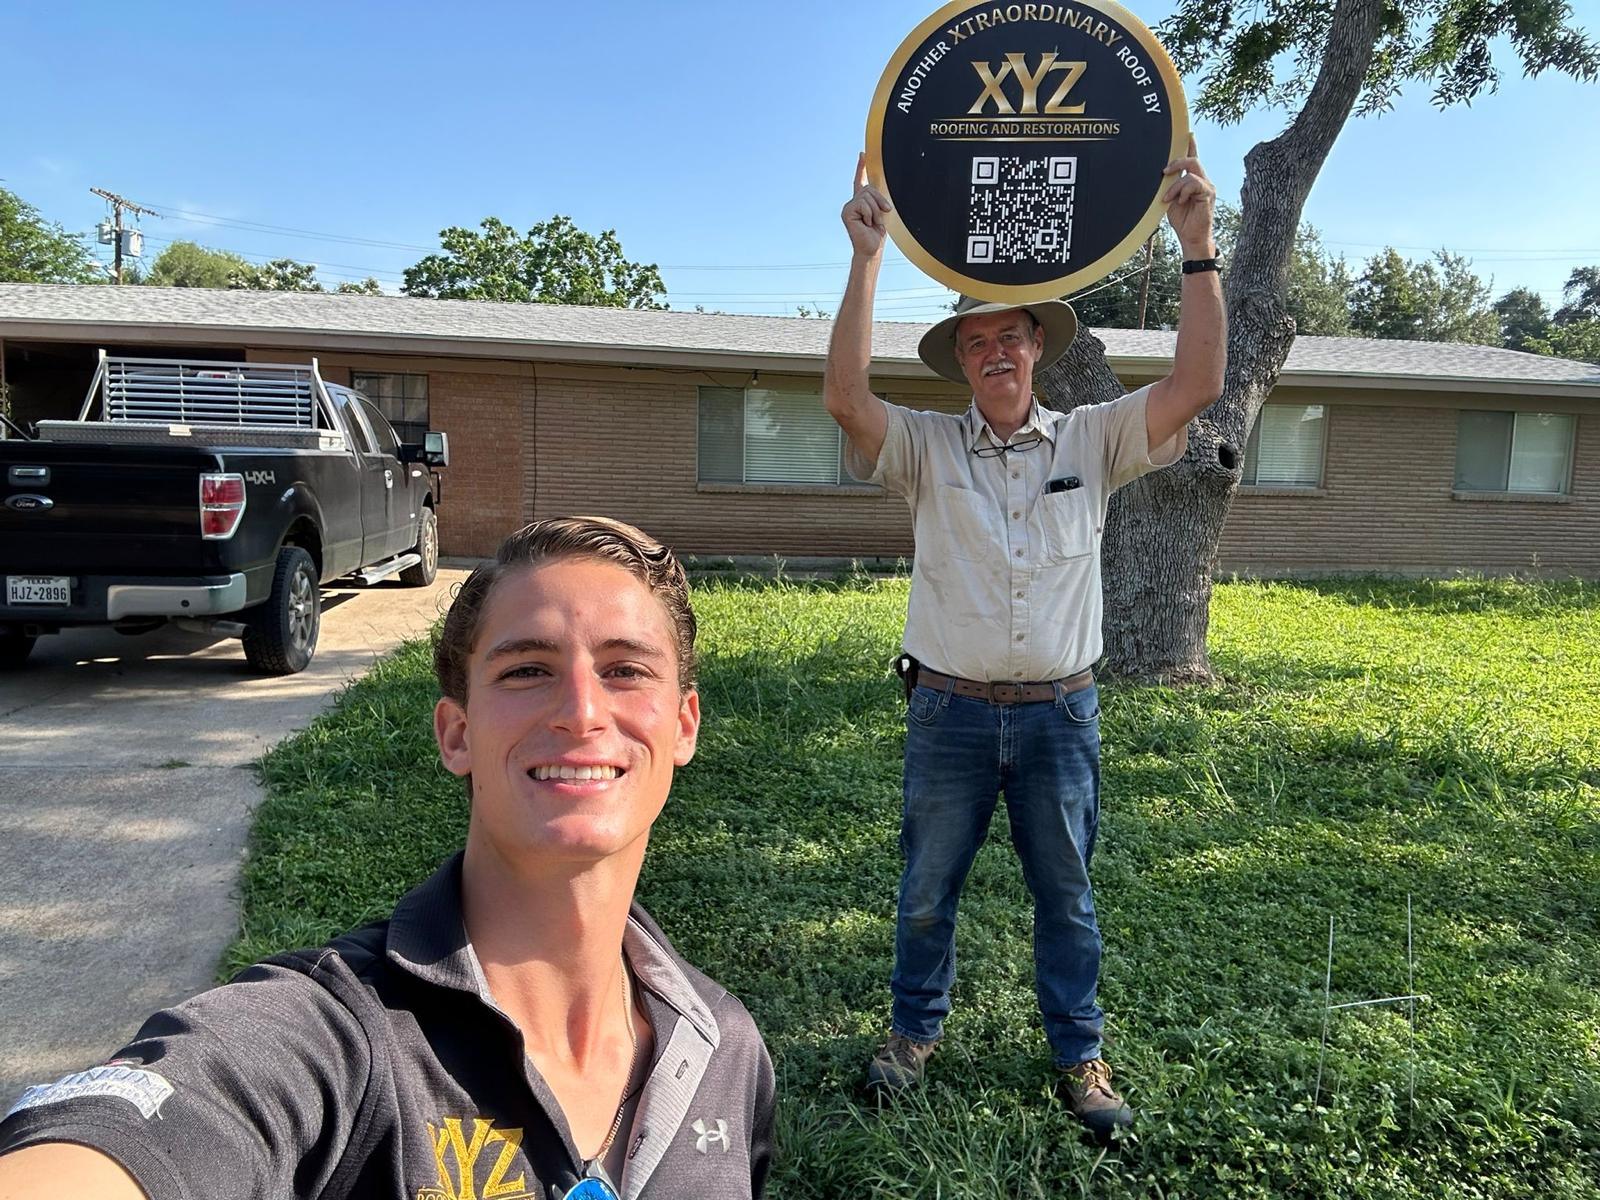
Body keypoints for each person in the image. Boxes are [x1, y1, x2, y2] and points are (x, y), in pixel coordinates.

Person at [0, 517, 775, 1200]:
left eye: (625, 669)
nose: (580, 710)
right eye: (526, 670)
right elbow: (156, 1127)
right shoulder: (332, 1037)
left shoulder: (725, 1049)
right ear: (456, 734)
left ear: (682, 726)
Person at [823, 139, 1225, 1140]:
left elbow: (1197, 384)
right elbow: (843, 399)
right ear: (960, 362)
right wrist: (867, 258)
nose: (996, 352)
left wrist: (1198, 246)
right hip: (948, 711)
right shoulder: (922, 448)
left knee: (1068, 898)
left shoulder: (1092, 438)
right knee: (924, 894)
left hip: (1060, 716)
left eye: (1011, 336)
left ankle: (1079, 1055)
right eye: (976, 342)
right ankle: (912, 1036)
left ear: (1038, 348)